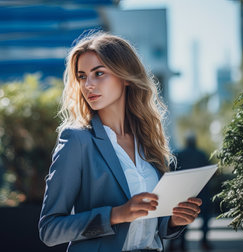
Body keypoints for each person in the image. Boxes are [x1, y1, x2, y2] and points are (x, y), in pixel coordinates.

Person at [38, 32, 202, 252]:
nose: (88, 85)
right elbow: (50, 230)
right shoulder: (77, 140)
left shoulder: (149, 141)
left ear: (125, 76)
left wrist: (174, 220)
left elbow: (154, 223)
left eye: (98, 73)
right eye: (82, 76)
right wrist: (115, 215)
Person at [169, 133, 212, 251]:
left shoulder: (179, 154)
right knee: (205, 219)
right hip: (202, 192)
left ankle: (181, 245)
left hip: (184, 192)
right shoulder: (202, 154)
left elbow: (171, 171)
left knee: (182, 217)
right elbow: (211, 171)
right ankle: (204, 242)